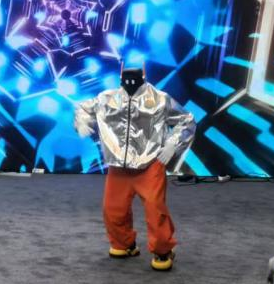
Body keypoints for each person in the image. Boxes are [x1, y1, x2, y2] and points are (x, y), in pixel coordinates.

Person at [73, 65, 196, 271]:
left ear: (143, 76)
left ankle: (163, 250)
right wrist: (82, 122)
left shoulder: (160, 99)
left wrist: (173, 144)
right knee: (113, 209)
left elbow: (187, 120)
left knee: (155, 210)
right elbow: (83, 108)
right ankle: (124, 243)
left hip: (150, 164)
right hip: (118, 165)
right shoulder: (106, 98)